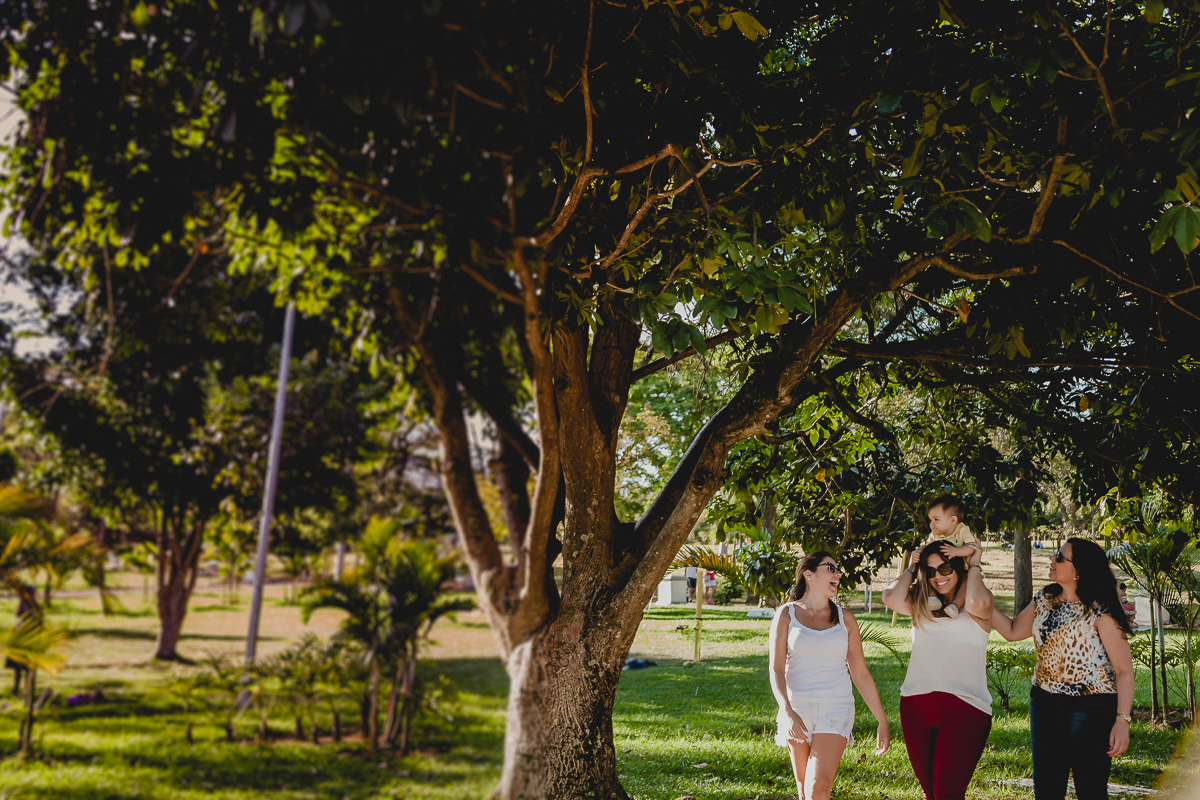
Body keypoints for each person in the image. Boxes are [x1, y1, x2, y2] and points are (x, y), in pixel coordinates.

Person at [991, 538, 1135, 800]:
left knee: (1090, 789)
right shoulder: (1045, 598)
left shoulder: (1100, 610)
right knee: (1046, 790)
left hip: (1091, 708)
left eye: (1059, 556)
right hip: (1044, 705)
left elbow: (1124, 670)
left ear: (1079, 570)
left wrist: (1122, 721)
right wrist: (982, 602)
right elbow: (1012, 631)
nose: (1051, 559)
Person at [769, 551, 890, 800]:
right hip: (797, 709)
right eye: (831, 568)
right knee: (804, 792)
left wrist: (882, 719)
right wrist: (787, 711)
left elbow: (860, 673)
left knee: (817, 789)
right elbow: (776, 669)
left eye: (838, 569)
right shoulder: (785, 614)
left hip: (836, 707)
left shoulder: (845, 618)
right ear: (808, 574)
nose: (838, 573)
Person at [882, 540, 995, 800]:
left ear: (958, 567)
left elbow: (977, 599)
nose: (937, 577)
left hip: (965, 709)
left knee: (948, 793)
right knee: (930, 793)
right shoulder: (921, 606)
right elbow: (890, 597)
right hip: (915, 707)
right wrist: (912, 567)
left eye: (944, 568)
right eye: (930, 571)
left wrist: (974, 565)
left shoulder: (978, 609)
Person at [926, 494, 982, 564]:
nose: (932, 524)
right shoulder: (934, 534)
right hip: (941, 569)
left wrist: (956, 551)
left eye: (936, 519)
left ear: (953, 520)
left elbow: (972, 548)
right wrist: (921, 551)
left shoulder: (962, 530)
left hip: (962, 571)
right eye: (931, 520)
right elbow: (927, 549)